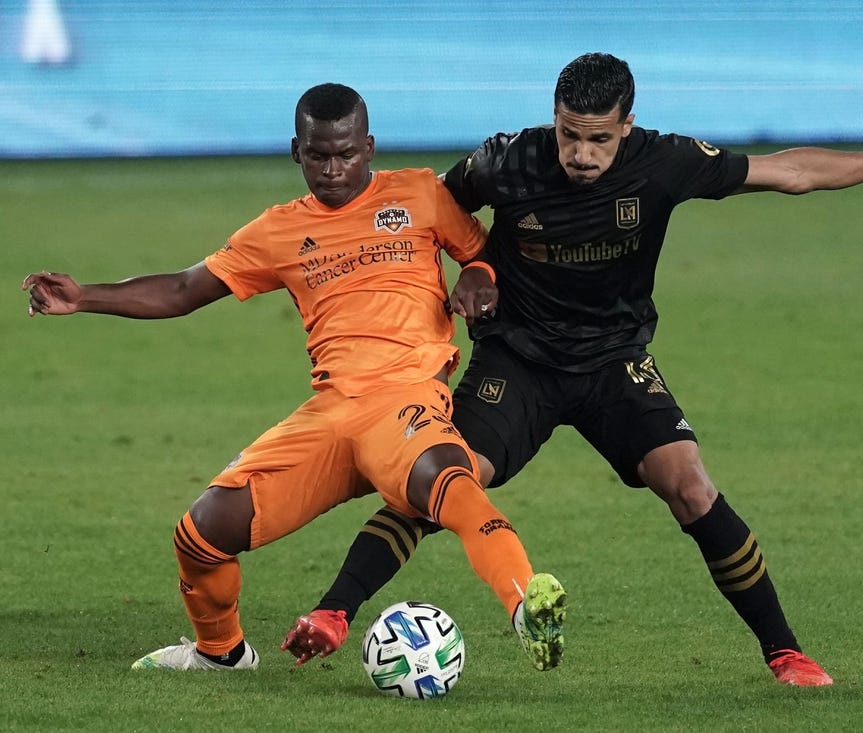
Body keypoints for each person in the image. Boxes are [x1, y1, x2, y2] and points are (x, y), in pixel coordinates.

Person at [282, 54, 863, 686]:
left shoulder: (664, 162)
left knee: (692, 487)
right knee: (444, 480)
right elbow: (432, 213)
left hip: (614, 361)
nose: (581, 154)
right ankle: (335, 612)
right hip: (519, 360)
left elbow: (792, 172)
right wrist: (474, 270)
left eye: (599, 139)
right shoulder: (505, 160)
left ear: (627, 127)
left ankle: (784, 649)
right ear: (552, 118)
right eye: (568, 135)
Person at [21, 82, 567, 673]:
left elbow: (484, 253)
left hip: (405, 400)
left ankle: (524, 604)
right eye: (318, 156)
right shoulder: (278, 231)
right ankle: (221, 654)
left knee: (449, 482)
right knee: (202, 532)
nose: (333, 170)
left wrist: (480, 274)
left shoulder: (419, 194)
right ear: (295, 152)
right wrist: (85, 298)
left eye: (347, 154)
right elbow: (184, 289)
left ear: (370, 147)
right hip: (331, 415)